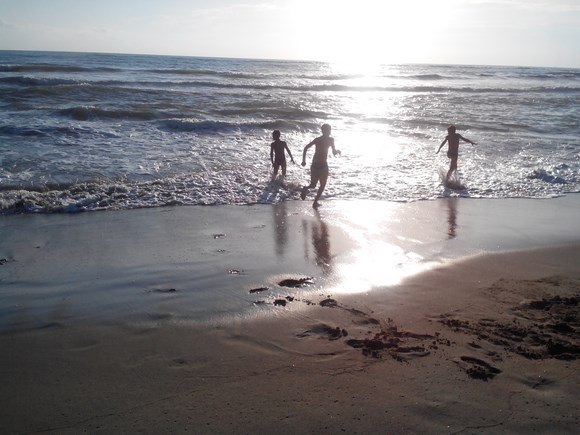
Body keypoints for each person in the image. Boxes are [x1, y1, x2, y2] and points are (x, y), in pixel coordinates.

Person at [300, 124, 340, 208]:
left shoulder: (317, 139)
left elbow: (306, 148)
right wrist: (338, 151)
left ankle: (306, 188)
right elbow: (334, 152)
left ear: (322, 131)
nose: (329, 132)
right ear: (328, 131)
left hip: (314, 165)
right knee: (322, 185)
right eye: (329, 130)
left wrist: (304, 160)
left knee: (313, 185)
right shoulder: (330, 140)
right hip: (323, 166)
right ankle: (315, 202)